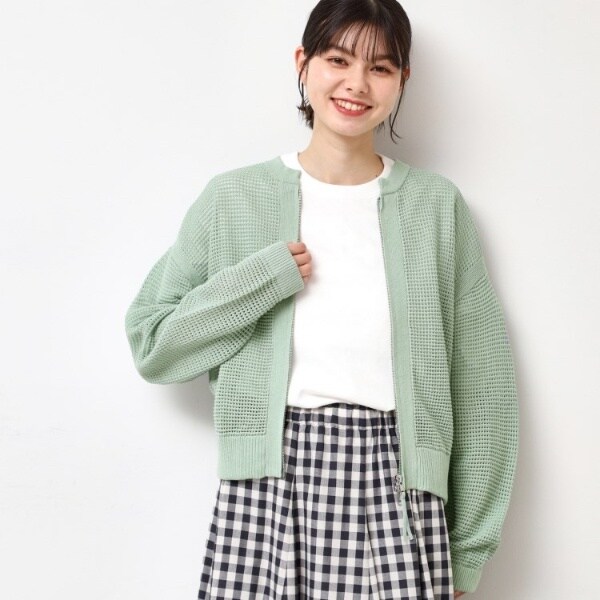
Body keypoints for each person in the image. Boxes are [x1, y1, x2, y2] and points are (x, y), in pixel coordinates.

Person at [124, 0, 519, 598]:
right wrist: (259, 282)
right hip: (266, 491)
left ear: (402, 81)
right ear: (303, 63)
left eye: (380, 67)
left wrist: (468, 549)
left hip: (399, 491)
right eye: (338, 60)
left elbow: (483, 385)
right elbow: (154, 345)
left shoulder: (436, 208)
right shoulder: (233, 199)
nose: (356, 83)